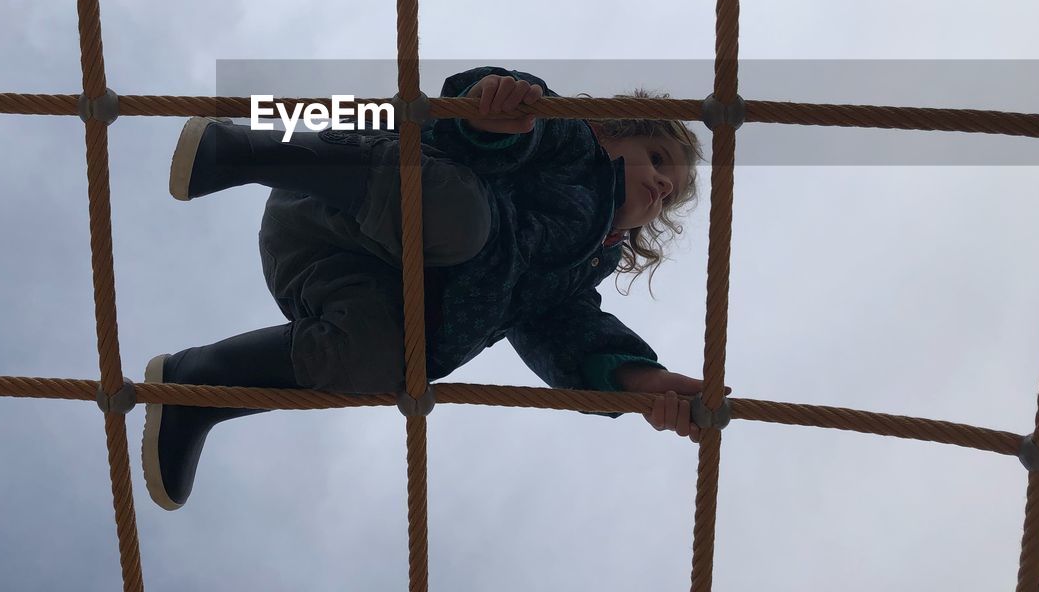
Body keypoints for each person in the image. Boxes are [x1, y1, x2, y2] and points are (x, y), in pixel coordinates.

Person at [142, 65, 731, 511]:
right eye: (656, 159)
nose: (659, 186)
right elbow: (494, 121)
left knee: (384, 362)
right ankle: (243, 149)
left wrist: (642, 380)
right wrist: (499, 111)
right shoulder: (572, 145)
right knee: (464, 218)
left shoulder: (574, 275)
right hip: (344, 198)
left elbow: (572, 335)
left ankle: (197, 388)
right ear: (610, 133)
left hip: (357, 282)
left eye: (671, 192)